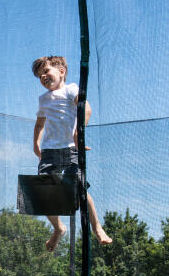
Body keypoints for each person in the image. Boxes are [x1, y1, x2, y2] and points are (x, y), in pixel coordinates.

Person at [32, 55, 113, 251]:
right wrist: (36, 142)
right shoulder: (43, 99)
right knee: (42, 192)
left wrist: (79, 132)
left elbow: (87, 110)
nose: (43, 77)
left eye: (45, 71)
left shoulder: (71, 89)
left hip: (70, 148)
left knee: (79, 189)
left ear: (61, 71)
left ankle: (97, 227)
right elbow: (40, 123)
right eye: (39, 76)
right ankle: (58, 228)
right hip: (50, 151)